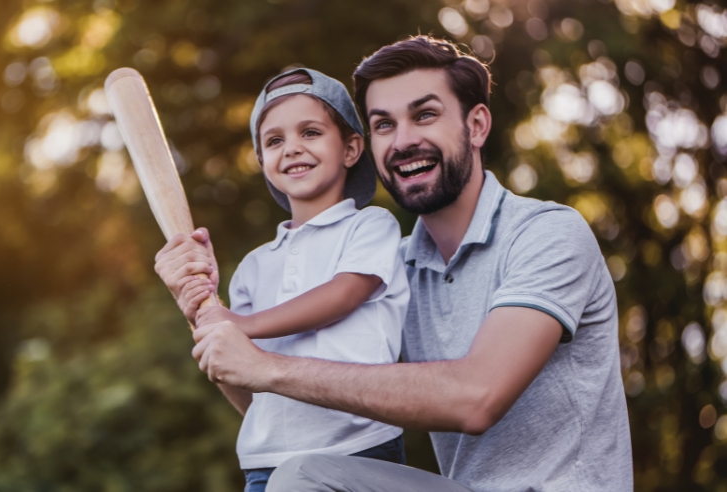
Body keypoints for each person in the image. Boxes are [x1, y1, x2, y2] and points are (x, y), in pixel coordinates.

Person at [156, 35, 632, 491]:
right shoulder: (397, 268)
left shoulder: (546, 234)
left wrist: (264, 362)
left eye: (424, 115)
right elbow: (294, 409)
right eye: (384, 124)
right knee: (301, 476)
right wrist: (206, 315)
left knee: (302, 481)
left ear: (477, 125)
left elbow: (478, 397)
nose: (402, 141)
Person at [166, 68, 411, 492]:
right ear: (262, 162)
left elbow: (344, 294)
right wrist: (200, 305)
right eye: (275, 141)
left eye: (310, 132)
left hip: (358, 449)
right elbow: (236, 366)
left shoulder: (370, 226)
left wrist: (240, 323)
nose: (292, 148)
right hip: (266, 463)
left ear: (352, 147)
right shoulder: (255, 266)